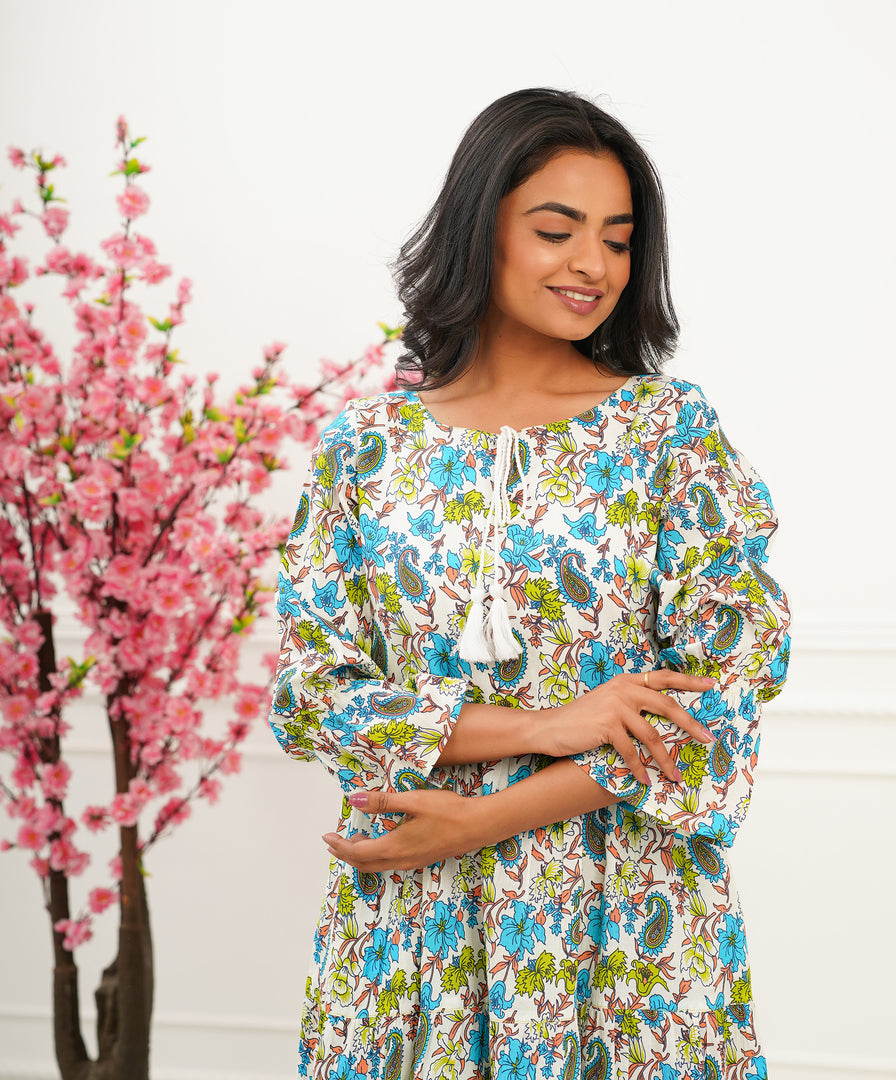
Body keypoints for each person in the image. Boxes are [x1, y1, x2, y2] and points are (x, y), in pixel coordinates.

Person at [269, 87, 791, 1080]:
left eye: (618, 238)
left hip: (623, 922)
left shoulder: (667, 434)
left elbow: (723, 690)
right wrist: (551, 725)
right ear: (483, 229)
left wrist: (482, 818)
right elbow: (311, 692)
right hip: (411, 927)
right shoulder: (362, 448)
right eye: (557, 230)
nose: (591, 264)